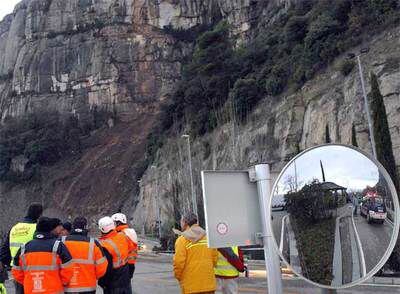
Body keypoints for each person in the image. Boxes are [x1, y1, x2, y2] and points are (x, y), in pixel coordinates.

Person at [12, 217, 74, 293]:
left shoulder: (24, 248)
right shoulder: (58, 246)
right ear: (50, 230)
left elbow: (16, 271)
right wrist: (60, 282)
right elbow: (69, 269)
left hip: (31, 290)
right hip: (54, 290)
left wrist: (28, 282)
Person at [0, 203, 43, 294]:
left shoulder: (14, 228)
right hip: (32, 268)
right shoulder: (37, 229)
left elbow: (4, 251)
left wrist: (6, 265)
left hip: (16, 269)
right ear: (39, 215)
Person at [173, 212, 218, 294]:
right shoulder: (208, 238)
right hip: (208, 284)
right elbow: (215, 258)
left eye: (181, 221)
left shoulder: (182, 240)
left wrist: (178, 276)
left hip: (191, 285)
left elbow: (178, 262)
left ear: (185, 223)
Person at [61, 217, 108, 293]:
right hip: (88, 288)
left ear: (73, 227)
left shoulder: (61, 241)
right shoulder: (93, 243)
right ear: (85, 227)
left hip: (67, 288)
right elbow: (102, 268)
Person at [98, 216, 132, 294]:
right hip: (125, 277)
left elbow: (106, 269)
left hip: (113, 282)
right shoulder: (122, 236)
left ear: (102, 229)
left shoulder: (105, 246)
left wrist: (102, 283)